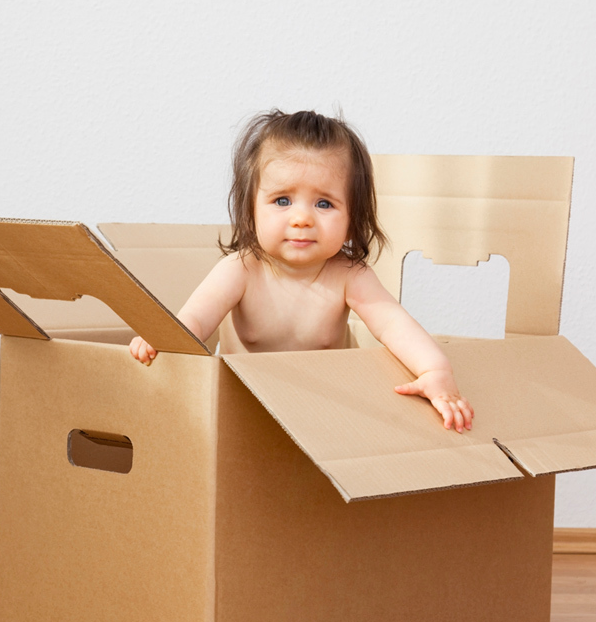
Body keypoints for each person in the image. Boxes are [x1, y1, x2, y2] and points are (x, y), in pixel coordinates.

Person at [130, 110, 474, 432]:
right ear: (250, 209)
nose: (302, 218)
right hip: (243, 409)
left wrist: (435, 370)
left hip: (321, 414)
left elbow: (395, 324)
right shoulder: (241, 270)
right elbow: (194, 322)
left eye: (324, 203)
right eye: (282, 200)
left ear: (353, 217)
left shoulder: (348, 275)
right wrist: (162, 338)